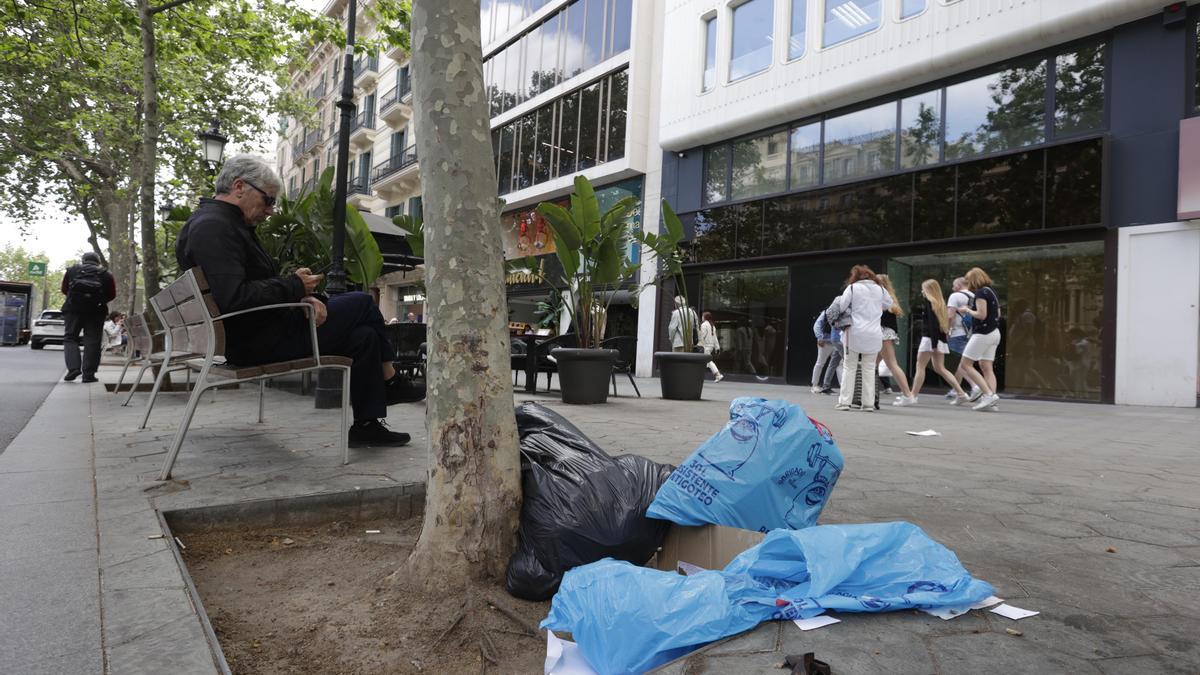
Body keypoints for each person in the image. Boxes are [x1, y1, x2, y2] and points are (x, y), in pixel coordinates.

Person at [175, 154, 413, 447]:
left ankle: (367, 425)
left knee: (363, 337)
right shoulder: (215, 227)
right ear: (239, 186)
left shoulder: (219, 224)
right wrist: (294, 286)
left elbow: (242, 289)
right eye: (268, 200)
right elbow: (235, 298)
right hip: (257, 342)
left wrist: (300, 294)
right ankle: (391, 383)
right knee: (362, 303)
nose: (271, 210)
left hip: (257, 335)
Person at [833, 265, 891, 411]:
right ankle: (868, 404)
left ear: (855, 276)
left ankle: (845, 402)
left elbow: (841, 307)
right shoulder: (881, 289)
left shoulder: (852, 288)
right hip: (874, 333)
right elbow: (888, 305)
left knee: (849, 367)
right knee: (870, 369)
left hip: (854, 333)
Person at [61, 251, 117, 383]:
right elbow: (112, 294)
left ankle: (73, 368)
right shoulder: (106, 274)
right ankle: (88, 375)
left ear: (83, 260)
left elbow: (64, 289)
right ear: (98, 262)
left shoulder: (72, 270)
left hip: (73, 310)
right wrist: (99, 300)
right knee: (92, 340)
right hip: (96, 311)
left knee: (70, 338)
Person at [910, 279, 968, 403]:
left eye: (923, 289)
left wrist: (934, 344)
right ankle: (961, 393)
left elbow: (932, 326)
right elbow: (940, 325)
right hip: (939, 340)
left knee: (920, 366)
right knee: (940, 368)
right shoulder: (940, 304)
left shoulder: (929, 303)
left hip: (929, 340)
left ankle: (912, 396)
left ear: (929, 290)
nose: (922, 292)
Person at [955, 267, 1002, 411]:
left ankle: (988, 395)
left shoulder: (980, 293)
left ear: (974, 280)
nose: (968, 283)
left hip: (983, 333)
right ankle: (991, 401)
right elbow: (998, 313)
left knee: (965, 364)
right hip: (994, 333)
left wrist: (967, 310)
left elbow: (981, 315)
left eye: (969, 280)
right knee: (986, 367)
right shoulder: (992, 292)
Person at [875, 274, 916, 407]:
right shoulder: (889, 296)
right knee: (871, 365)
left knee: (892, 364)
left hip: (883, 333)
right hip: (887, 333)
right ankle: (868, 394)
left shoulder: (881, 296)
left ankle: (908, 395)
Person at [945, 277, 980, 401]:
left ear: (959, 285)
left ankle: (975, 386)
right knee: (961, 361)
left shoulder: (955, 296)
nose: (953, 287)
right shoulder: (974, 296)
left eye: (954, 285)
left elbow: (950, 316)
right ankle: (956, 389)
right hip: (970, 333)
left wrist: (947, 330)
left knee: (958, 363)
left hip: (957, 332)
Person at [811, 310, 843, 394]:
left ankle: (843, 386)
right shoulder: (827, 312)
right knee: (820, 363)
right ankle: (814, 385)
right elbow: (817, 325)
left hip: (837, 342)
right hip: (826, 341)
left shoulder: (842, 312)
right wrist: (820, 337)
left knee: (839, 364)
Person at [698, 311, 723, 382]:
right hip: (711, 346)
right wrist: (717, 347)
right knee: (704, 362)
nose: (702, 317)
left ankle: (718, 375)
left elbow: (702, 336)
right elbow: (715, 338)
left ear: (705, 317)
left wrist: (698, 344)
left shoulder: (704, 325)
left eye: (702, 316)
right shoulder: (712, 326)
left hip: (705, 346)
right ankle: (699, 376)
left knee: (708, 361)